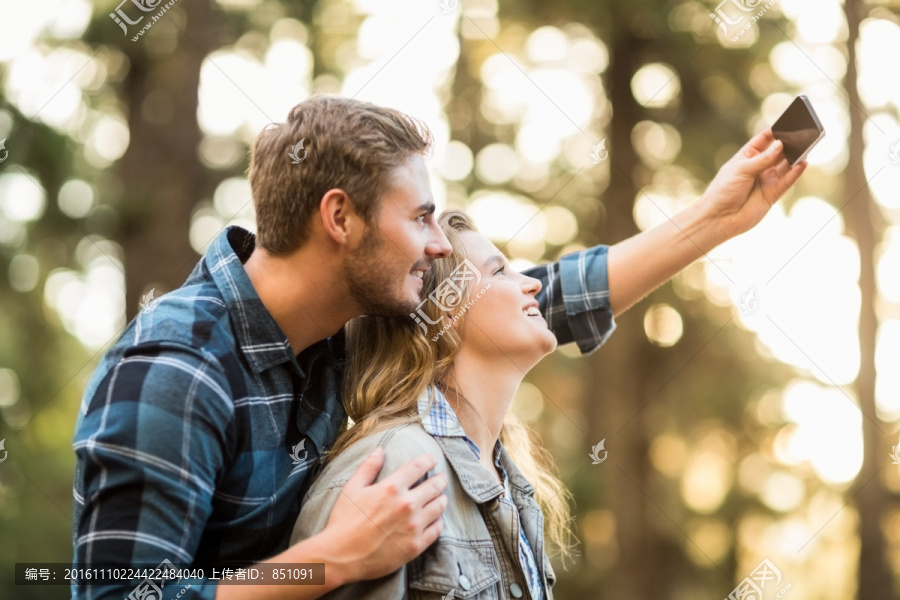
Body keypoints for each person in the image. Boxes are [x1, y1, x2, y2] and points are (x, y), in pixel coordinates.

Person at [71, 91, 805, 600]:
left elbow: (520, 303)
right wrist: (324, 563)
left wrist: (714, 219)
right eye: (421, 217)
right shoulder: (177, 367)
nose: (434, 243)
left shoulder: (336, 332)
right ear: (340, 217)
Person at [293, 209, 573, 599]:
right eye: (499, 272)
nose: (531, 284)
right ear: (445, 310)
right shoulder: (391, 467)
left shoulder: (509, 479)